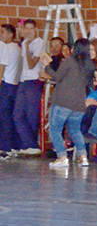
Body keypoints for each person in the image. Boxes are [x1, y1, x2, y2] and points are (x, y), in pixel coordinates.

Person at [42, 39, 92, 168]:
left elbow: (57, 77)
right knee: (75, 130)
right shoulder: (89, 66)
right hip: (79, 103)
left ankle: (62, 157)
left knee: (55, 129)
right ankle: (83, 157)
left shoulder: (69, 61)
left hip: (62, 101)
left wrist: (47, 65)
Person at [13, 19, 47, 155]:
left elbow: (32, 63)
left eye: (31, 28)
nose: (28, 31)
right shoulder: (24, 42)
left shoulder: (39, 43)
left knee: (31, 114)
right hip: (23, 80)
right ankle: (28, 143)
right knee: (17, 114)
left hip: (34, 80)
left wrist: (27, 48)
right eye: (26, 28)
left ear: (35, 29)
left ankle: (32, 144)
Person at [0, 23, 20, 155]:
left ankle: (5, 148)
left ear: (11, 34)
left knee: (4, 116)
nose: (1, 35)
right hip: (14, 85)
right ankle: (13, 146)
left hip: (6, 84)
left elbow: (2, 65)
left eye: (2, 32)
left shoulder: (5, 47)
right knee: (9, 116)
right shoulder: (17, 48)